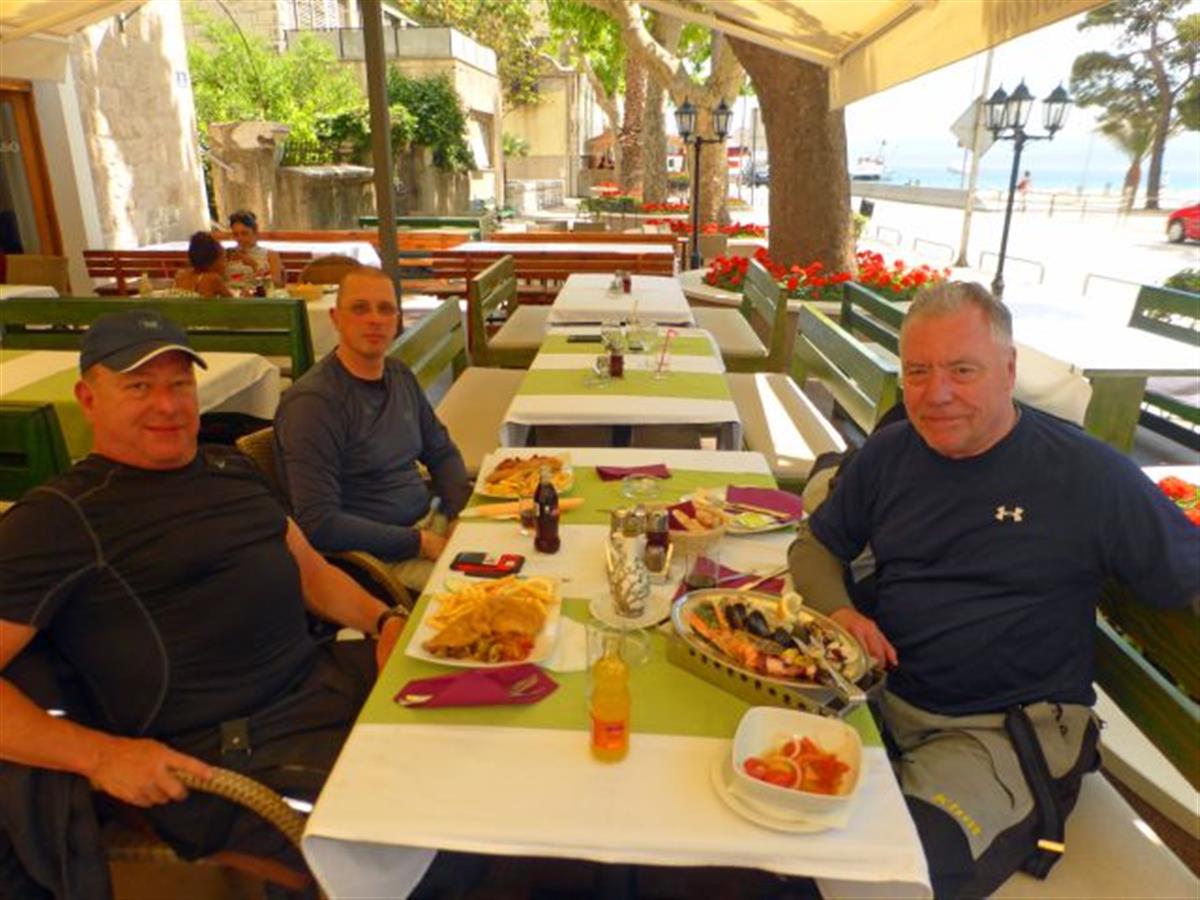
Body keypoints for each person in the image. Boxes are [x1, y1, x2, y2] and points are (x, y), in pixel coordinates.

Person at [0, 310, 438, 896]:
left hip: (327, 685)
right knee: (433, 843)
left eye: (179, 384)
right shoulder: (60, 519)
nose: (167, 405)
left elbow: (311, 573)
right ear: (88, 399)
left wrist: (384, 620)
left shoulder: (230, 468)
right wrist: (99, 757)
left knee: (495, 734)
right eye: (139, 386)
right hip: (232, 756)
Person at [787, 281, 1198, 898]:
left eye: (962, 370)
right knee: (753, 805)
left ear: (1008, 370)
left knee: (886, 870)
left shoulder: (1086, 474)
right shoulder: (893, 452)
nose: (936, 394)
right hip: (879, 699)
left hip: (999, 732)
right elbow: (815, 545)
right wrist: (841, 611)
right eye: (918, 371)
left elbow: (1188, 574)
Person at [273, 267, 470, 592]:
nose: (375, 319)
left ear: (397, 320)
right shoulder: (314, 404)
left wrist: (457, 513)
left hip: (431, 523)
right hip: (380, 560)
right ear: (336, 318)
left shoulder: (399, 375)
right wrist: (421, 543)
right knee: (496, 595)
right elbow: (319, 522)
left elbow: (442, 451)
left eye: (385, 309)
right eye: (360, 308)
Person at [228, 209, 284, 288]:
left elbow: (276, 285)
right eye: (235, 234)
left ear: (255, 232)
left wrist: (253, 265)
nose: (240, 238)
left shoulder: (270, 254)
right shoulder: (226, 254)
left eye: (244, 233)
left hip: (258, 293)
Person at [173, 230, 232, 298]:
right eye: (223, 259)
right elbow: (233, 302)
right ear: (213, 260)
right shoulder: (213, 279)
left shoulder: (180, 275)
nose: (225, 263)